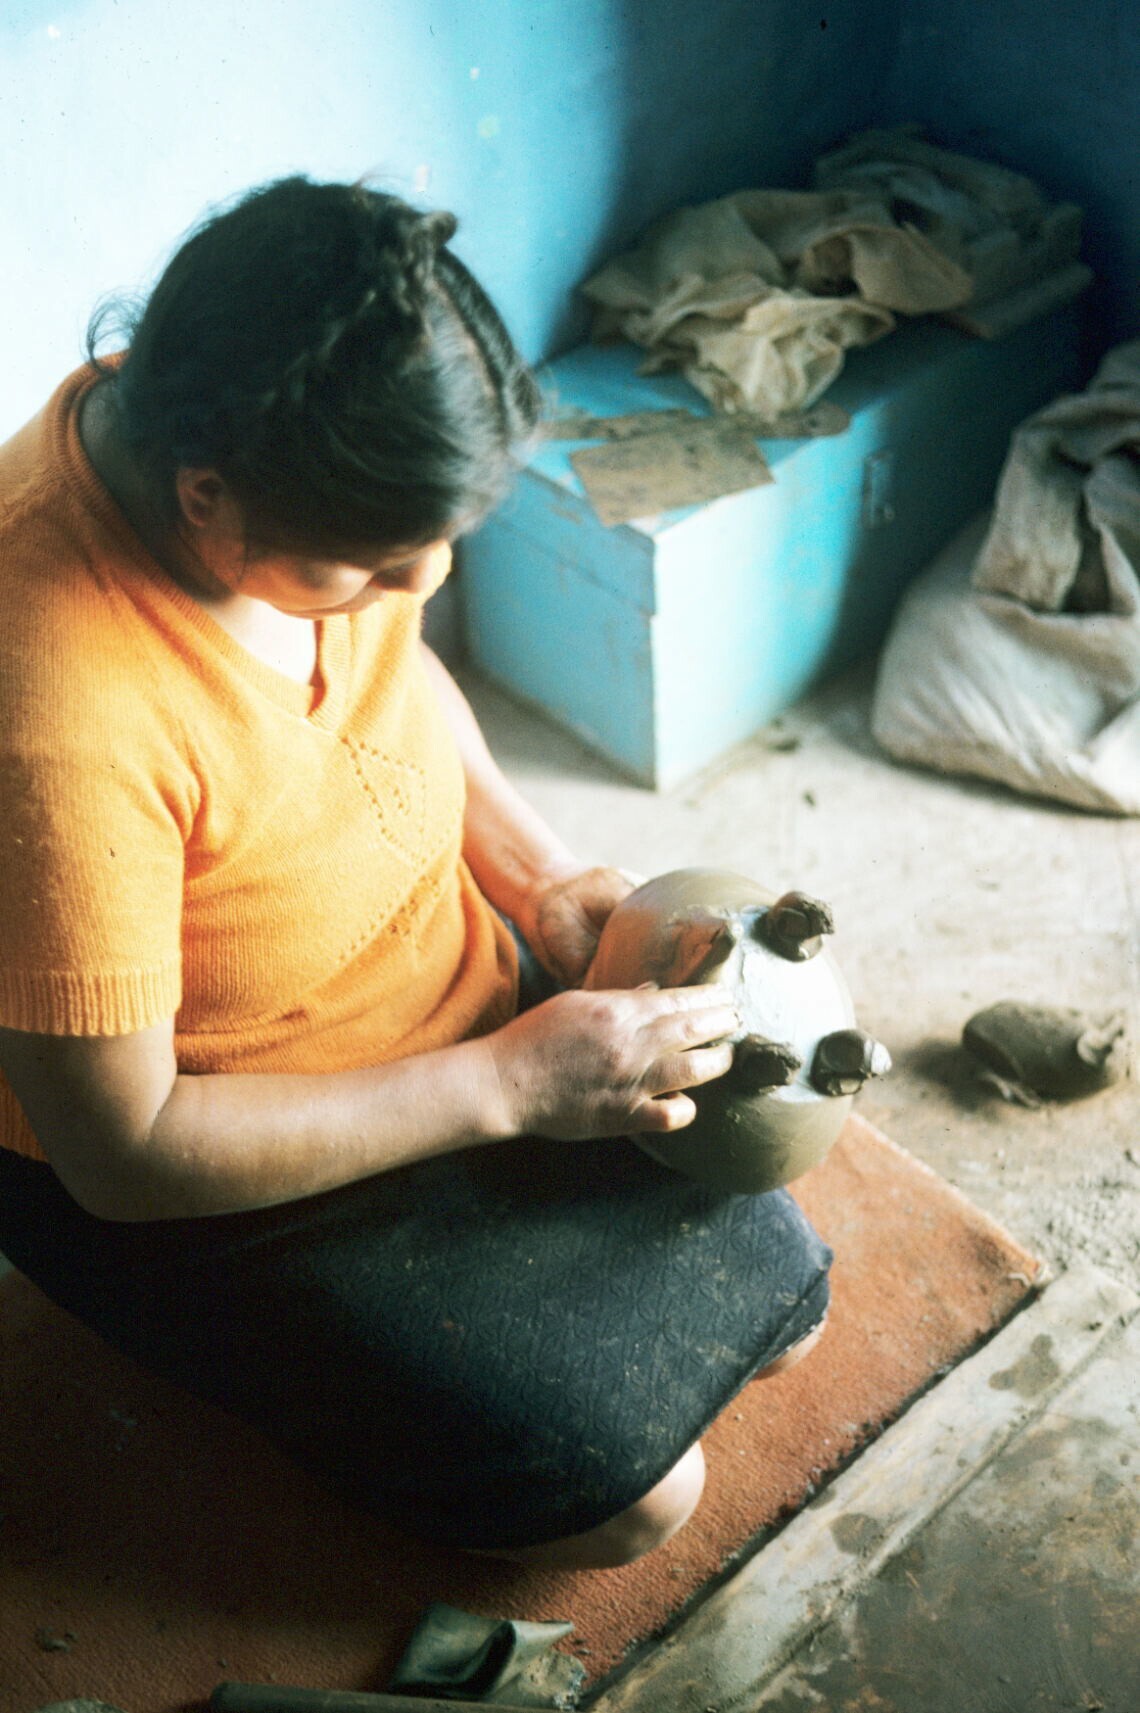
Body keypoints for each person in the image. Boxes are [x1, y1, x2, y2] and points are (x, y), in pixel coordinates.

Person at [0, 176, 831, 1569]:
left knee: (783, 1309)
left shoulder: (244, 421)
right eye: (378, 565)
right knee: (640, 1499)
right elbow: (122, 1151)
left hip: (441, 1008)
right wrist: (507, 1088)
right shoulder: (52, 715)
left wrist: (534, 871)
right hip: (217, 1155)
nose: (423, 584)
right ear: (207, 502)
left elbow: (391, 677)